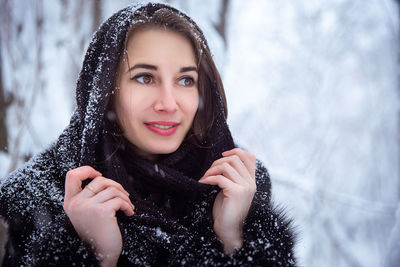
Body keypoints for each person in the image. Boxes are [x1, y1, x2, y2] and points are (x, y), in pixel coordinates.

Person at [0, 2, 296, 266]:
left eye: (185, 80)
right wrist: (93, 255)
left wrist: (234, 239)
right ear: (105, 90)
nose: (168, 104)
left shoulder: (236, 186)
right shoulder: (41, 198)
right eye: (144, 77)